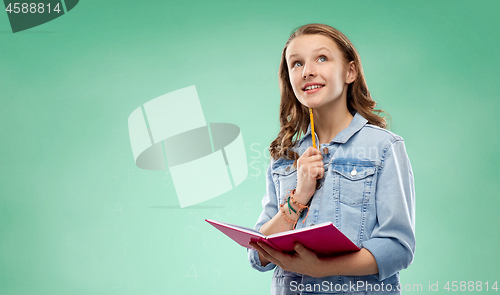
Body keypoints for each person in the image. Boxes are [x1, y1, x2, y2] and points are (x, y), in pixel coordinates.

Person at [247, 23, 415, 295]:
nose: (307, 71)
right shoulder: (284, 157)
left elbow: (398, 248)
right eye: (296, 63)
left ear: (350, 71)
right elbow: (258, 256)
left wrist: (322, 269)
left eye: (321, 58)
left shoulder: (384, 147)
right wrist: (299, 197)